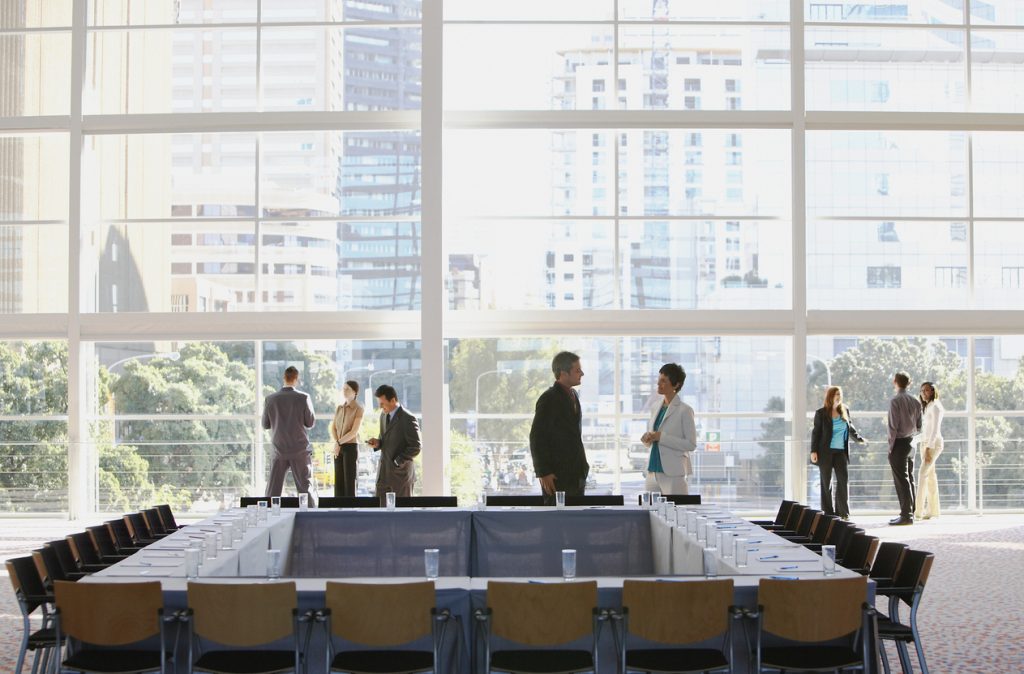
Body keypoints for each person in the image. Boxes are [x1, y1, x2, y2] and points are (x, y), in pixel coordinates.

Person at [529, 351, 590, 506]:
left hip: (576, 473)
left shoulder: (573, 395)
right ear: (563, 373)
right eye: (577, 370)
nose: (581, 373)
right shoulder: (548, 398)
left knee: (575, 523)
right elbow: (537, 437)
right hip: (556, 476)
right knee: (557, 524)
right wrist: (543, 472)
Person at [263, 365, 318, 505]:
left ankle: (268, 519)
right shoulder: (304, 398)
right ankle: (311, 520)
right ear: (296, 379)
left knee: (273, 491)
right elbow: (310, 423)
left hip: (279, 450)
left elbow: (265, 424)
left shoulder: (270, 399)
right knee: (305, 489)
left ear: (284, 378)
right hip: (299, 450)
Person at [810, 386, 866, 520]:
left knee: (843, 482)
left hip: (841, 452)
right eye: (836, 394)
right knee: (826, 483)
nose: (838, 396)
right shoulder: (821, 413)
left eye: (840, 394)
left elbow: (850, 427)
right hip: (825, 453)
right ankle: (828, 514)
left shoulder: (845, 410)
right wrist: (813, 451)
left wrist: (859, 439)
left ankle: (843, 512)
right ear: (830, 396)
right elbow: (816, 433)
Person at [640, 363, 697, 495]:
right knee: (649, 512)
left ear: (676, 385)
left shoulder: (685, 410)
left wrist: (662, 437)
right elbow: (653, 442)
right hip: (652, 472)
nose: (658, 383)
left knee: (676, 512)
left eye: (663, 381)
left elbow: (691, 444)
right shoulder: (655, 407)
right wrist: (647, 439)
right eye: (659, 379)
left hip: (673, 474)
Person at [366, 384, 421, 498]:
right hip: (383, 475)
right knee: (380, 512)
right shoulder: (383, 415)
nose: (380, 407)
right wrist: (378, 443)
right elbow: (384, 439)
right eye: (379, 403)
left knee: (401, 513)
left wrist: (398, 461)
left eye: (382, 403)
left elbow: (416, 447)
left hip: (401, 477)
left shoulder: (408, 418)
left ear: (393, 400)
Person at [887, 372, 922, 526]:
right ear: (910, 383)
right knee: (909, 478)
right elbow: (920, 425)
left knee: (901, 480)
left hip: (899, 443)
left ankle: (906, 515)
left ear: (895, 382)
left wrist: (890, 447)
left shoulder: (895, 401)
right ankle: (910, 513)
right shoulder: (916, 401)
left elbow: (893, 427)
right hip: (912, 442)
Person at [914, 382, 945, 520]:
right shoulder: (928, 407)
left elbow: (935, 430)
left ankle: (917, 512)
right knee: (930, 477)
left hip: (932, 445)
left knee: (922, 474)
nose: (923, 393)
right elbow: (926, 430)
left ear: (932, 391)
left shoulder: (936, 406)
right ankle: (933, 511)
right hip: (925, 443)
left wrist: (928, 449)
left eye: (926, 390)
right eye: (922, 391)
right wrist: (915, 440)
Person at [329, 380, 364, 498]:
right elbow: (333, 428)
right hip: (339, 447)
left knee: (350, 483)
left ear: (355, 392)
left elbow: (354, 432)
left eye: (347, 389)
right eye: (343, 388)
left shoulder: (358, 409)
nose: (344, 391)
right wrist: (337, 443)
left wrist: (338, 442)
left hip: (350, 447)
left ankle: (351, 511)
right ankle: (337, 511)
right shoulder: (339, 408)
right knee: (338, 483)